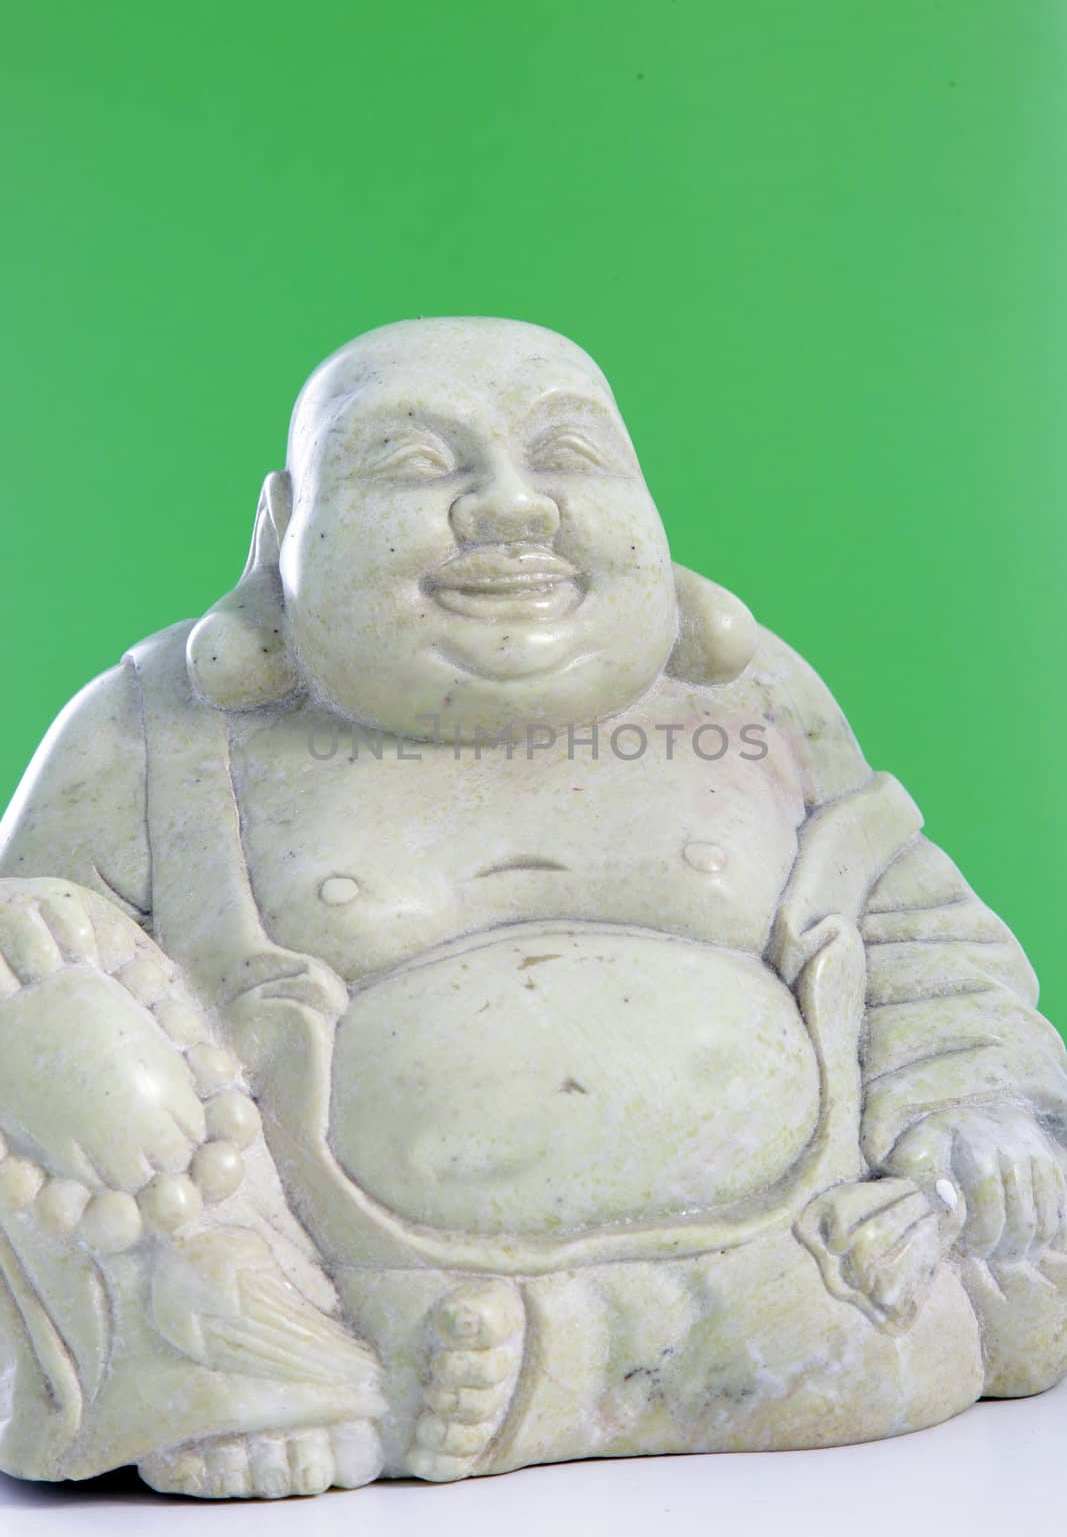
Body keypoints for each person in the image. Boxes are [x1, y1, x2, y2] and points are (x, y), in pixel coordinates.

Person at [0, 317, 1064, 1499]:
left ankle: (557, 1365)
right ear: (281, 524)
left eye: (565, 455)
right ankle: (282, 1371)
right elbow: (37, 984)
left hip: (797, 1252)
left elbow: (905, 919)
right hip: (331, 1284)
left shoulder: (751, 698)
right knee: (53, 1022)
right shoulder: (153, 734)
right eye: (415, 465)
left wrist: (975, 1103)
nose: (510, 506)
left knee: (967, 1271)